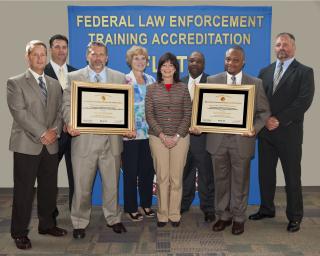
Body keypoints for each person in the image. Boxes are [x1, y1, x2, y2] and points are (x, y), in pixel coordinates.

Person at [249, 33, 315, 233]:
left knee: (292, 177)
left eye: (285, 44)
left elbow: (303, 101)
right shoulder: (265, 71)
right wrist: (266, 119)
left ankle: (295, 216)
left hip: (289, 133)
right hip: (266, 133)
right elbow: (258, 100)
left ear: (293, 47)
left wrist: (278, 119)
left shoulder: (304, 72)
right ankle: (267, 209)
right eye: (278, 45)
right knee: (266, 174)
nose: (281, 48)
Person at [62, 41, 127, 239]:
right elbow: (66, 105)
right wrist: (69, 121)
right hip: (84, 141)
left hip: (112, 141)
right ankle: (79, 222)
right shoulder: (73, 77)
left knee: (112, 185)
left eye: (101, 54)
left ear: (107, 57)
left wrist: (128, 124)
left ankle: (113, 218)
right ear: (86, 56)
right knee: (82, 186)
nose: (97, 58)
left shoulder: (119, 77)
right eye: (93, 54)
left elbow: (125, 106)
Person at [7, 40, 67, 250]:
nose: (40, 58)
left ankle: (47, 224)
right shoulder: (15, 82)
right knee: (24, 191)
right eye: (36, 55)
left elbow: (60, 112)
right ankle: (19, 232)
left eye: (43, 54)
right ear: (28, 57)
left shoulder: (53, 83)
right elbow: (20, 113)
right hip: (27, 144)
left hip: (50, 145)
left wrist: (55, 132)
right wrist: (43, 132)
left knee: (49, 188)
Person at [204, 46, 270, 235]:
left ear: (243, 62)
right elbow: (205, 109)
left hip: (242, 141)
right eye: (227, 59)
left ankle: (239, 217)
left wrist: (254, 129)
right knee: (221, 180)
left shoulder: (255, 83)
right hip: (218, 141)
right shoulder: (212, 80)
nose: (230, 63)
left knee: (240, 181)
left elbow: (264, 112)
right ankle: (223, 216)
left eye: (234, 60)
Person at [145, 52, 192, 228]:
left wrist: (177, 136)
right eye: (164, 65)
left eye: (171, 65)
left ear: (175, 68)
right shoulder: (151, 89)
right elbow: (149, 115)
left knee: (176, 178)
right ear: (159, 68)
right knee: (162, 177)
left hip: (180, 138)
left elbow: (188, 113)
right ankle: (162, 214)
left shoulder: (183, 87)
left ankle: (174, 213)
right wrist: (163, 136)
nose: (167, 68)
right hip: (158, 138)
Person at [181, 51, 215, 223]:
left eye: (199, 61)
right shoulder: (179, 82)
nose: (194, 64)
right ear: (187, 63)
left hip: (204, 139)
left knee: (206, 175)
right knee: (184, 174)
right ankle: (183, 205)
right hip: (183, 139)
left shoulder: (212, 82)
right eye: (191, 60)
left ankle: (208, 208)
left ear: (204, 64)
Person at [44, 34, 77, 215]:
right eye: (57, 47)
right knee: (48, 176)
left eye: (64, 47)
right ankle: (49, 212)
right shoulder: (42, 72)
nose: (61, 50)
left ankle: (75, 210)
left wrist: (71, 122)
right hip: (53, 133)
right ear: (51, 50)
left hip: (73, 134)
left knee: (75, 176)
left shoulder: (76, 72)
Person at [122, 46, 156, 221]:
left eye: (143, 58)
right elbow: (119, 108)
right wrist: (125, 128)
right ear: (130, 61)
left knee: (147, 171)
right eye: (136, 58)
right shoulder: (124, 80)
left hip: (150, 135)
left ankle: (146, 204)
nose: (140, 61)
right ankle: (131, 207)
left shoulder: (151, 80)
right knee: (130, 172)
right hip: (131, 136)